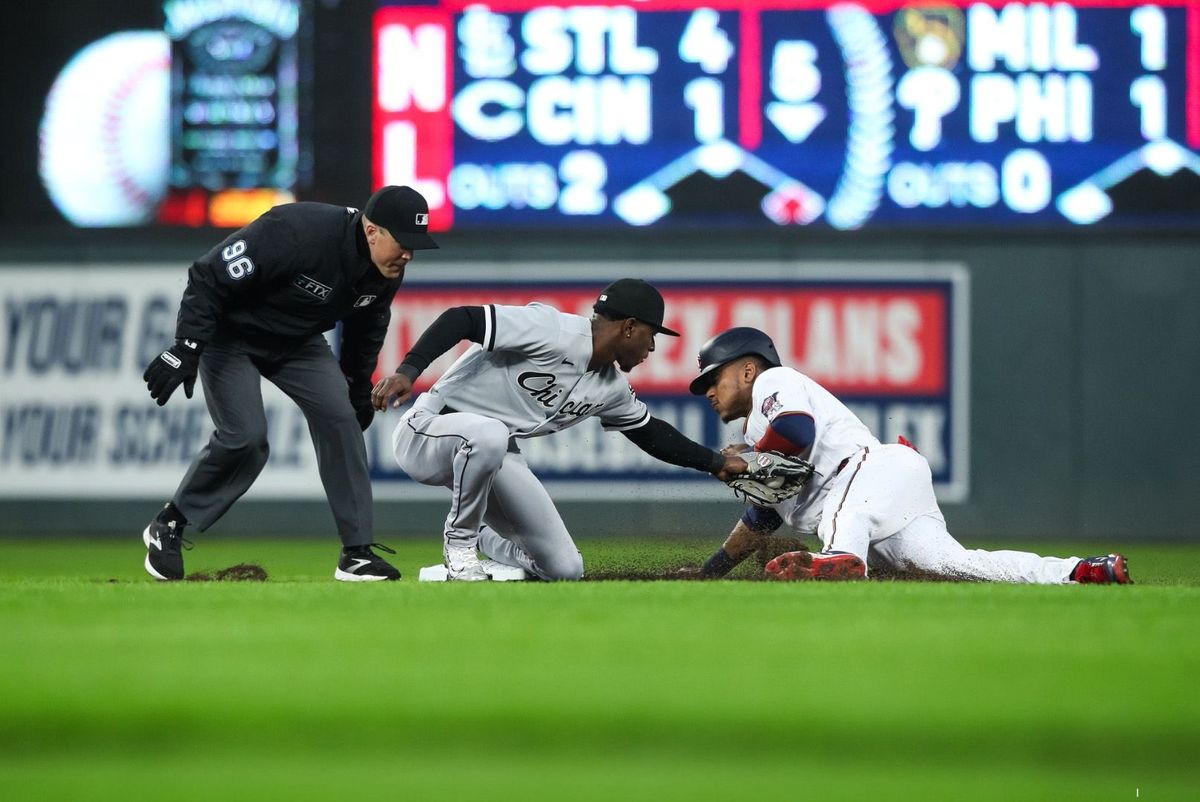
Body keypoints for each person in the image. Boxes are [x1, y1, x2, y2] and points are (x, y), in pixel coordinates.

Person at [140, 185, 440, 582]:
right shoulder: (298, 230)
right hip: (231, 337)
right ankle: (170, 524)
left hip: (297, 343)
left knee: (341, 419)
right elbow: (209, 275)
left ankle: (357, 553)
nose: (408, 254)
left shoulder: (387, 269)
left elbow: (367, 326)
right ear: (372, 231)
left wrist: (355, 386)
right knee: (246, 438)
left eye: (415, 245)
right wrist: (188, 344)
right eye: (403, 242)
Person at [687, 327, 1132, 584]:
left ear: (748, 369)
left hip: (869, 475)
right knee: (955, 566)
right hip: (886, 499)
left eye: (714, 378)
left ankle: (838, 559)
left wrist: (752, 459)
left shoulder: (773, 381)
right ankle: (1080, 572)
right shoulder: (755, 429)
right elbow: (761, 519)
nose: (708, 390)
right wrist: (710, 573)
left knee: (844, 522)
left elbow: (796, 430)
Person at [370, 279, 749, 581]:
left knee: (564, 569)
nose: (652, 347)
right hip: (428, 432)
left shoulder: (610, 387)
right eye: (652, 335)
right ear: (629, 327)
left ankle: (483, 547)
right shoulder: (552, 329)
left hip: (495, 455)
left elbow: (650, 432)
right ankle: (459, 548)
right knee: (489, 434)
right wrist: (408, 372)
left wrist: (714, 462)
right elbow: (462, 318)